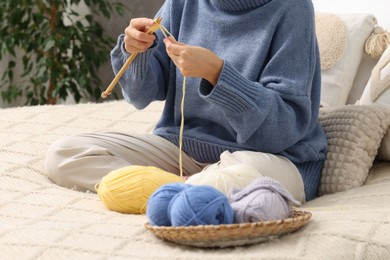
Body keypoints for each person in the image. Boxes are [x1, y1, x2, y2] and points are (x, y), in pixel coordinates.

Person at [45, 0, 327, 203]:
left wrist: (217, 74)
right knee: (63, 155)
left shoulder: (293, 8)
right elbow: (141, 95)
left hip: (269, 158)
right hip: (181, 152)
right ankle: (187, 191)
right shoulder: (183, 3)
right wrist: (136, 50)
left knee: (243, 177)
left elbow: (282, 129)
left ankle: (180, 191)